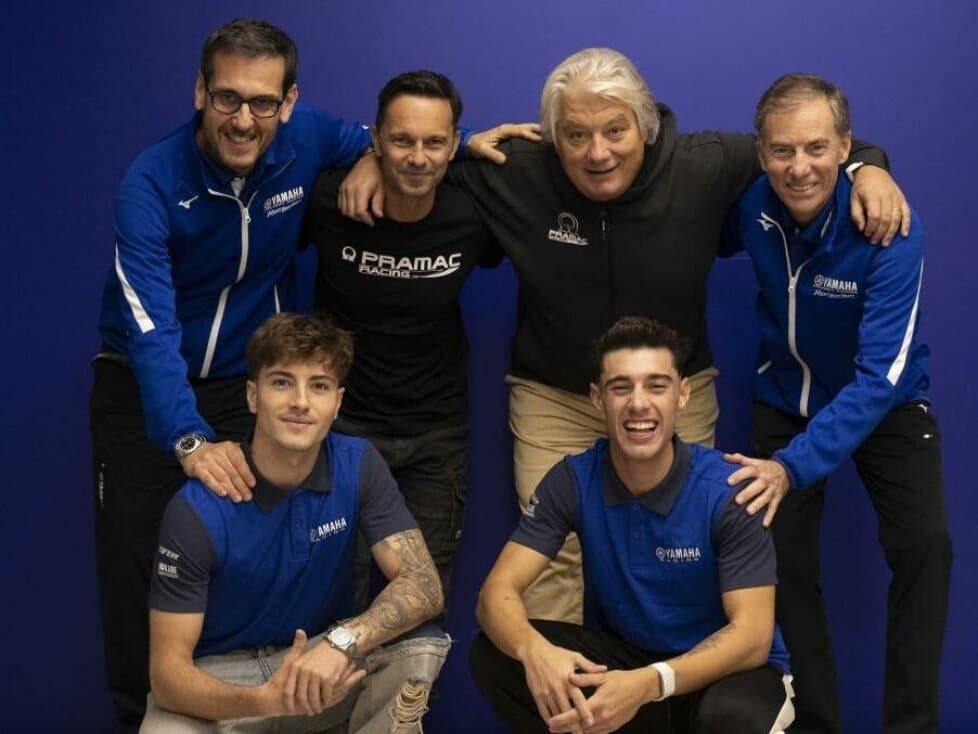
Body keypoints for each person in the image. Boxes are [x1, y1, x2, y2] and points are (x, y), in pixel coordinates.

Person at [343, 47, 911, 624]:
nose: (598, 152)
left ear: (645, 125)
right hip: (554, 398)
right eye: (576, 135)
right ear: (552, 137)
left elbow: (802, 149)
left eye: (615, 130)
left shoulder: (703, 164)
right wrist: (371, 157)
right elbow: (424, 155)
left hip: (674, 395)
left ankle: (668, 681)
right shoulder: (515, 170)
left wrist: (870, 167)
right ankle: (553, 680)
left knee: (679, 555)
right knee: (550, 562)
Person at [91, 19, 535, 729]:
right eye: (227, 98)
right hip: (145, 389)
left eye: (264, 102)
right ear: (200, 92)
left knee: (266, 562)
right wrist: (185, 437)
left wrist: (416, 152)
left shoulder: (311, 140)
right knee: (139, 575)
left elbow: (397, 145)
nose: (245, 119)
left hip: (245, 387)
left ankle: (282, 713)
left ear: (289, 102)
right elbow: (150, 327)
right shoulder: (151, 180)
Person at [721, 74, 951, 734]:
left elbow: (880, 378)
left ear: (846, 147)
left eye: (817, 148)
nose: (800, 168)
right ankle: (814, 724)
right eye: (782, 151)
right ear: (761, 154)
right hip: (784, 399)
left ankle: (912, 727)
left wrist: (791, 467)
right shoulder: (750, 204)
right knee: (780, 564)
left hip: (883, 402)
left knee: (927, 547)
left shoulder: (890, 227)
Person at [470, 317, 794, 733]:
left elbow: (752, 637)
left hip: (722, 675)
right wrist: (534, 651)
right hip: (629, 667)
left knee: (731, 718)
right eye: (621, 387)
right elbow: (494, 595)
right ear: (597, 398)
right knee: (497, 654)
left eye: (656, 386)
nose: (638, 404)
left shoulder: (729, 489)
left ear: (682, 394)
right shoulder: (572, 480)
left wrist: (651, 682)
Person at [140, 312, 448, 734]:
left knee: (420, 645)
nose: (301, 402)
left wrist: (342, 642)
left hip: (318, 668)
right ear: (253, 396)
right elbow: (167, 677)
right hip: (225, 684)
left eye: (318, 386)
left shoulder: (358, 465)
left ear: (337, 402)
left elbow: (425, 585)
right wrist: (264, 699)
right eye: (282, 382)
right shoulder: (197, 507)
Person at [303, 70, 501, 609]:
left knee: (421, 603)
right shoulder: (330, 201)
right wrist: (365, 163)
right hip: (341, 429)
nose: (418, 157)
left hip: (435, 436)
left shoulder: (473, 213)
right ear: (375, 140)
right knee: (332, 602)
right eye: (401, 140)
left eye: (434, 143)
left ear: (454, 145)